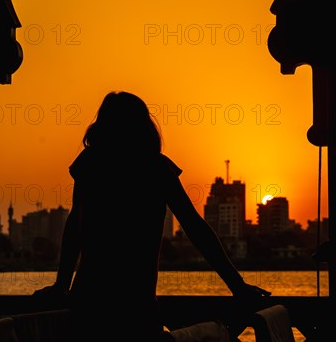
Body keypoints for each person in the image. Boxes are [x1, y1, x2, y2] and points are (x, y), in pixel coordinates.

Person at [33, 91, 271, 340]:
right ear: (144, 127)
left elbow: (75, 229)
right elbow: (195, 228)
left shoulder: (91, 164)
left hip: (89, 302)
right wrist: (237, 286)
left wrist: (62, 286)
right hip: (137, 305)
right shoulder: (156, 169)